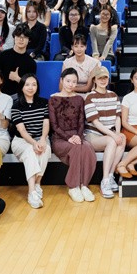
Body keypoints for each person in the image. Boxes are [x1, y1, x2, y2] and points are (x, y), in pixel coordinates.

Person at [50, 68, 97, 202]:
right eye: (68, 81)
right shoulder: (53, 99)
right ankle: (73, 186)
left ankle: (84, 185)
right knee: (77, 148)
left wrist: (78, 136)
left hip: (76, 136)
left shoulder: (79, 99)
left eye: (74, 82)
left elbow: (81, 121)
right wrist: (69, 138)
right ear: (62, 81)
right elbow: (54, 125)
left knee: (87, 148)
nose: (71, 84)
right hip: (60, 138)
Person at [9, 74, 51, 209]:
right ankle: (32, 192)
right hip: (22, 141)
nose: (30, 87)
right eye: (27, 84)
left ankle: (38, 184)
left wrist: (43, 139)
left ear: (37, 86)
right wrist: (34, 143)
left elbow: (46, 123)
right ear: (21, 87)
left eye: (34, 84)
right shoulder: (16, 106)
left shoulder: (44, 102)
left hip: (41, 137)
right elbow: (22, 130)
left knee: (45, 150)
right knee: (30, 152)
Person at [83, 66, 125, 199]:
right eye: (100, 78)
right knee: (112, 140)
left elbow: (117, 117)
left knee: (122, 138)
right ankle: (104, 180)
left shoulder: (113, 95)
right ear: (94, 80)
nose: (103, 80)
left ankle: (111, 175)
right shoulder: (89, 97)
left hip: (109, 133)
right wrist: (113, 135)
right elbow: (96, 123)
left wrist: (117, 132)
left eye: (105, 77)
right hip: (93, 135)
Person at [0, 24, 38, 97]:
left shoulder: (31, 63)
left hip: (20, 97)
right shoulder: (2, 56)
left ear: (29, 40)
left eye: (24, 37)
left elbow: (31, 87)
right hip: (1, 96)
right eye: (18, 36)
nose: (21, 40)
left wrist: (18, 79)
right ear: (14, 37)